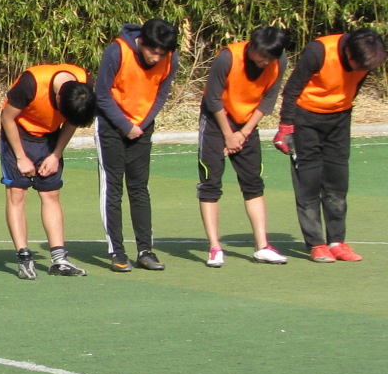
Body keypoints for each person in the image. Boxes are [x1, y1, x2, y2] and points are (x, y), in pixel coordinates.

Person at [275, 27, 387, 262]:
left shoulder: (366, 59)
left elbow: (353, 87)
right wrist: (286, 125)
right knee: (308, 181)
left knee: (337, 181)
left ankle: (336, 241)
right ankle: (316, 244)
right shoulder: (319, 51)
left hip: (340, 119)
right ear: (349, 51)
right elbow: (292, 89)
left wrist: (341, 106)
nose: (361, 70)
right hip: (306, 119)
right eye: (358, 65)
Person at [198, 27, 290, 267]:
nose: (265, 61)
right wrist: (228, 135)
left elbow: (268, 100)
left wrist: (244, 133)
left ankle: (262, 247)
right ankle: (215, 248)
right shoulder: (227, 58)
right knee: (210, 183)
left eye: (270, 58)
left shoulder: (279, 61)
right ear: (252, 46)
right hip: (216, 118)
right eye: (261, 55)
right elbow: (213, 98)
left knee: (253, 182)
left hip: (246, 122)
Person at [95, 19, 178, 272]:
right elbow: (102, 94)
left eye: (162, 53)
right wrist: (125, 125)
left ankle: (145, 251)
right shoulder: (117, 51)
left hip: (142, 127)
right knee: (113, 189)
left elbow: (161, 93)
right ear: (142, 41)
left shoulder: (169, 58)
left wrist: (141, 124)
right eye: (153, 51)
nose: (156, 58)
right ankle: (117, 252)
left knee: (140, 188)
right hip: (111, 126)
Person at [1, 63, 97, 279]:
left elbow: (71, 122)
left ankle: (60, 260)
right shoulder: (31, 82)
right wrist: (21, 157)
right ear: (59, 99)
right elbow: (7, 118)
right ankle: (24, 258)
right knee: (17, 193)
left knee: (51, 193)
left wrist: (55, 154)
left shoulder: (83, 84)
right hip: (19, 133)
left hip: (51, 136)